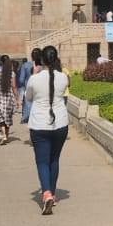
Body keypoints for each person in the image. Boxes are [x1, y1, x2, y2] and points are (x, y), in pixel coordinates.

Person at [25, 45, 70, 215]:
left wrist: (35, 74)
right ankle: (52, 192)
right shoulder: (63, 77)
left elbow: (28, 98)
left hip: (39, 124)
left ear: (42, 60)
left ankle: (46, 194)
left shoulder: (34, 79)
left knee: (42, 161)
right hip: (60, 123)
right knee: (54, 159)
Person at [0, 57, 18, 144]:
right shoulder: (12, 73)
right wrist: (17, 99)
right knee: (7, 115)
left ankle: (4, 135)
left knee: (0, 115)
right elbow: (14, 86)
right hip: (8, 96)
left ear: (1, 62)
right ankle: (7, 135)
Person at [18, 49, 41, 124]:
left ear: (31, 56)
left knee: (29, 107)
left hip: (29, 88)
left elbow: (21, 80)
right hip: (40, 89)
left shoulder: (25, 65)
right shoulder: (42, 65)